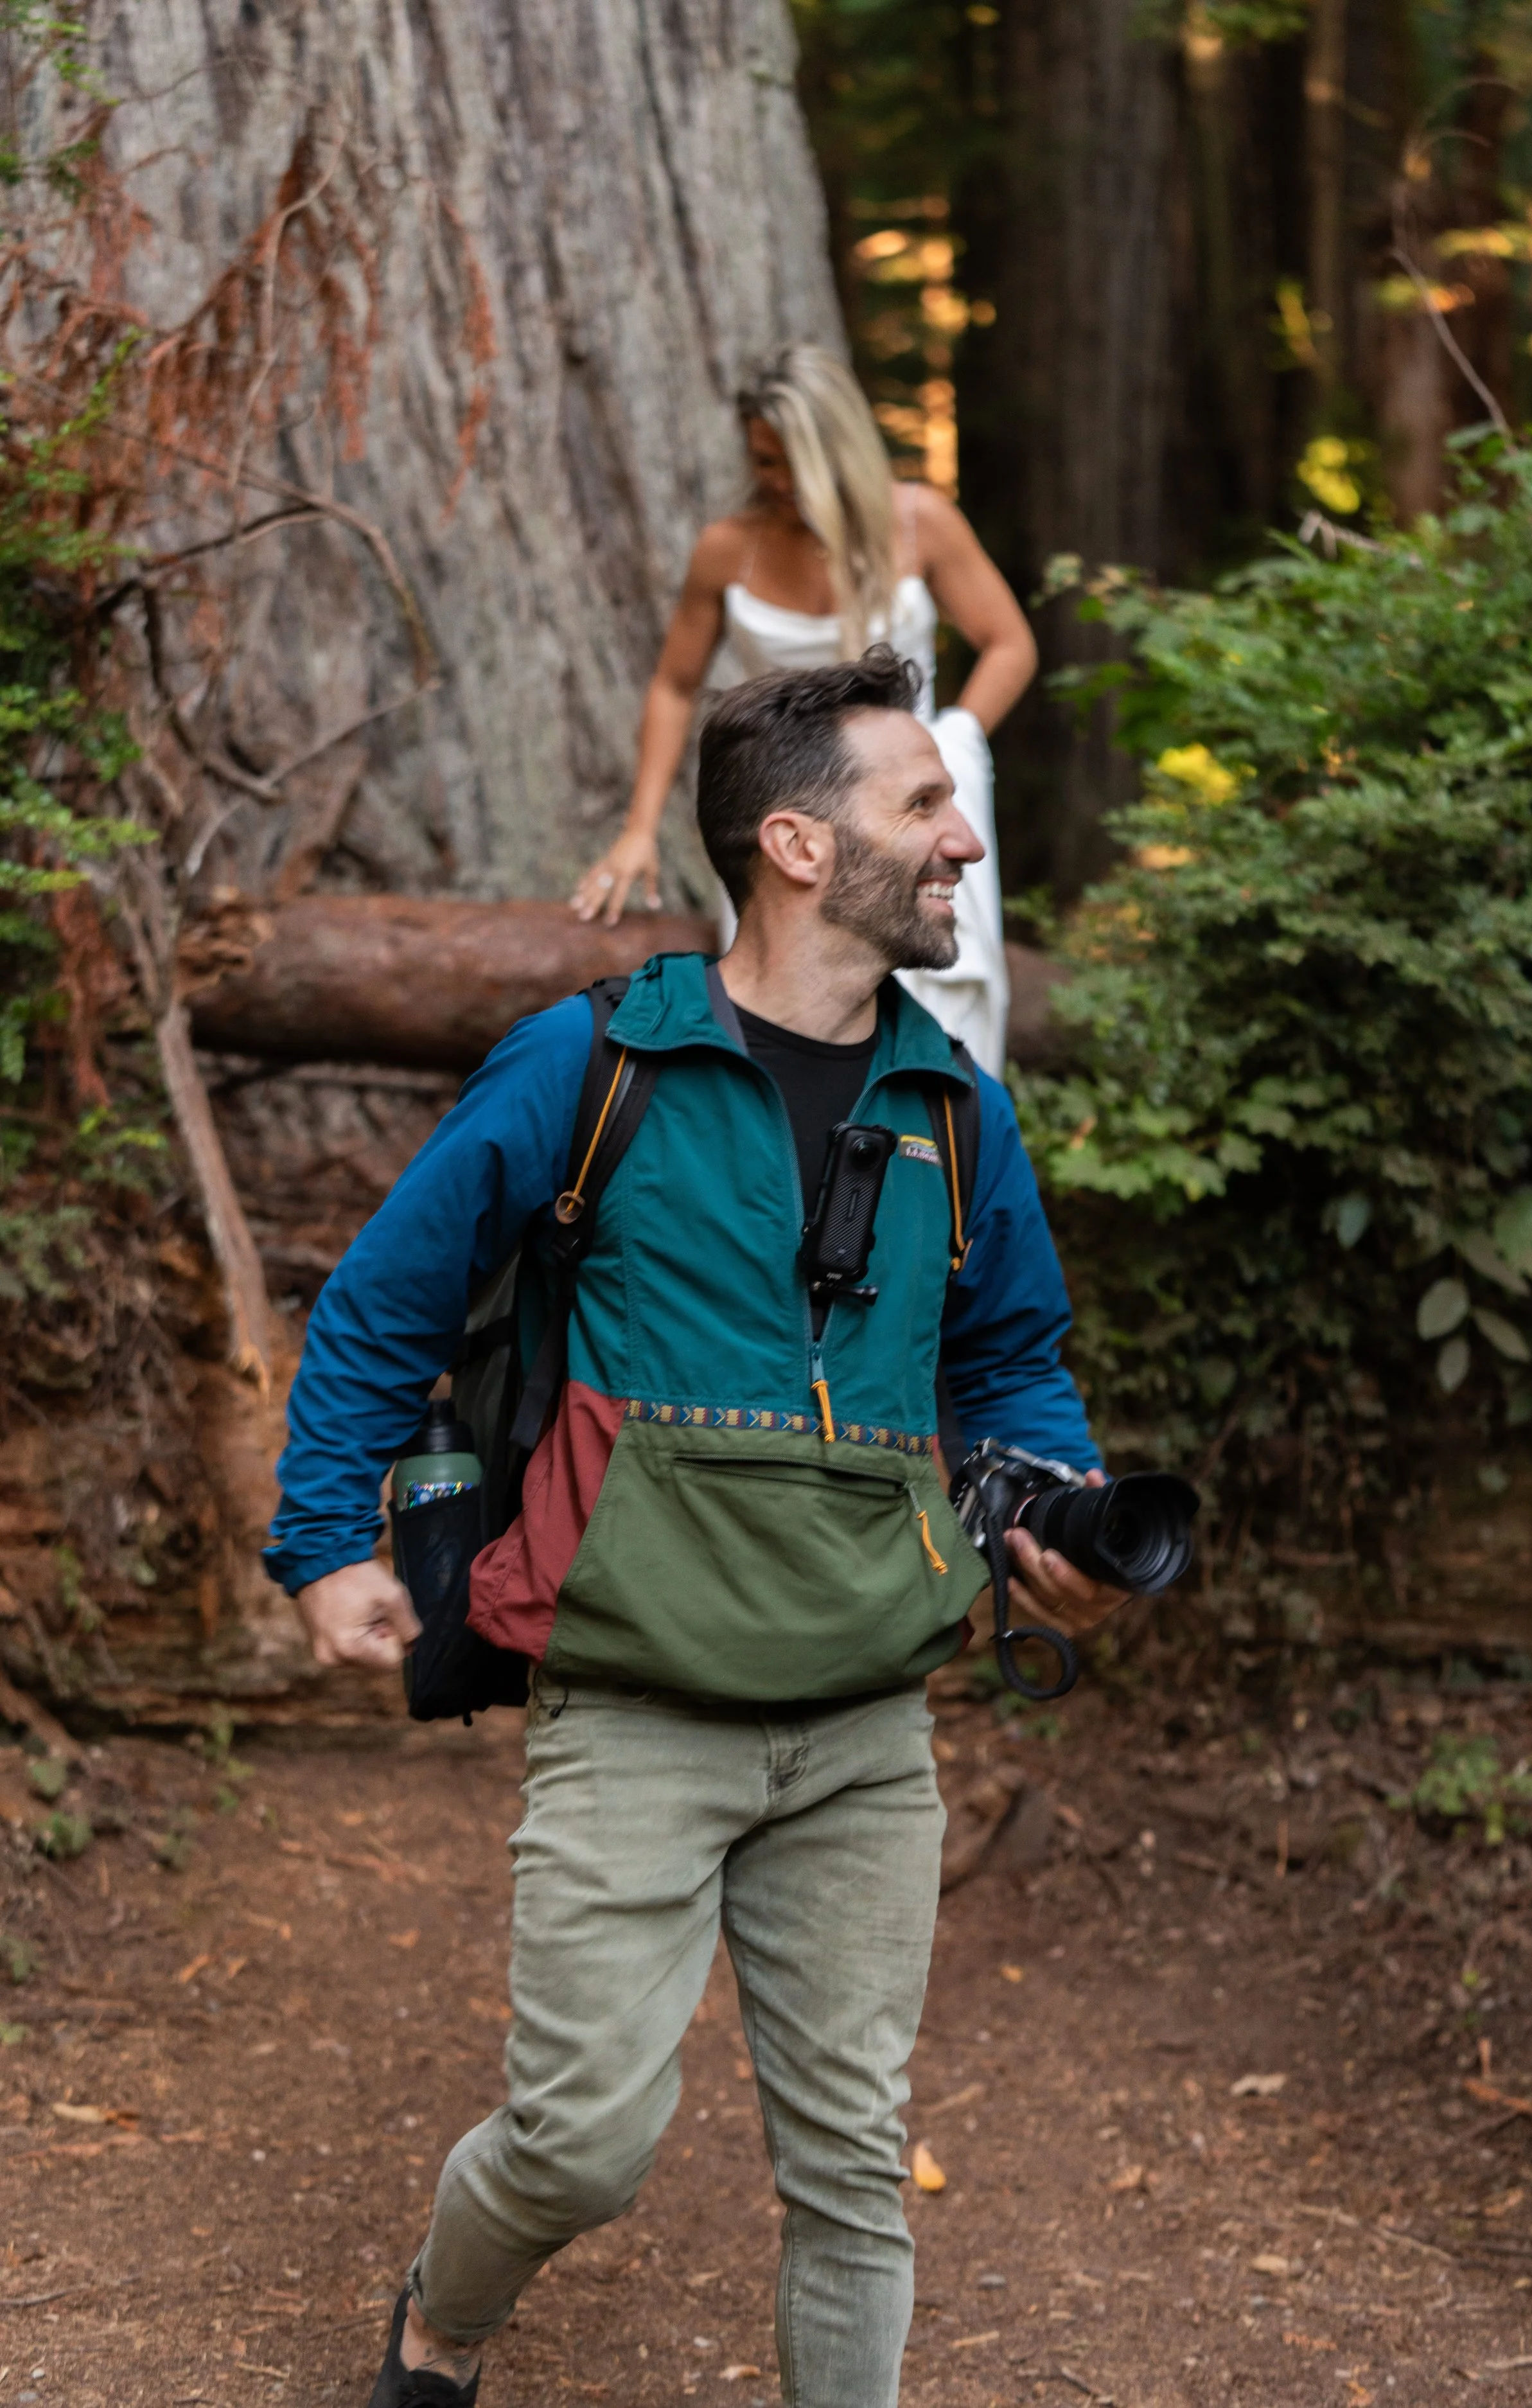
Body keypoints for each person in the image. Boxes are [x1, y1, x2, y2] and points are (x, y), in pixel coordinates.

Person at [267, 649, 1121, 2408]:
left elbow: (1008, 1357)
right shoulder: (595, 1064)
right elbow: (382, 1302)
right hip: (636, 1695)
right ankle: (444, 2315)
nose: (965, 840)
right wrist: (323, 1544)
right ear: (797, 844)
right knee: (581, 2143)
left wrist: (1060, 1507)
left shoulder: (957, 1109)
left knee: (853, 2172)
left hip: (866, 1719)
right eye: (923, 803)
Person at [569, 344, 1038, 1079]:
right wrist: (637, 830)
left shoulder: (920, 522)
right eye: (763, 462)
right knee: (783, 1008)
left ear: (839, 448)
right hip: (785, 818)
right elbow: (672, 685)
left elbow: (1008, 643)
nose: (781, 483)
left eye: (795, 462)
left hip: (906, 811)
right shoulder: (728, 549)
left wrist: (948, 750)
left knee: (932, 986)